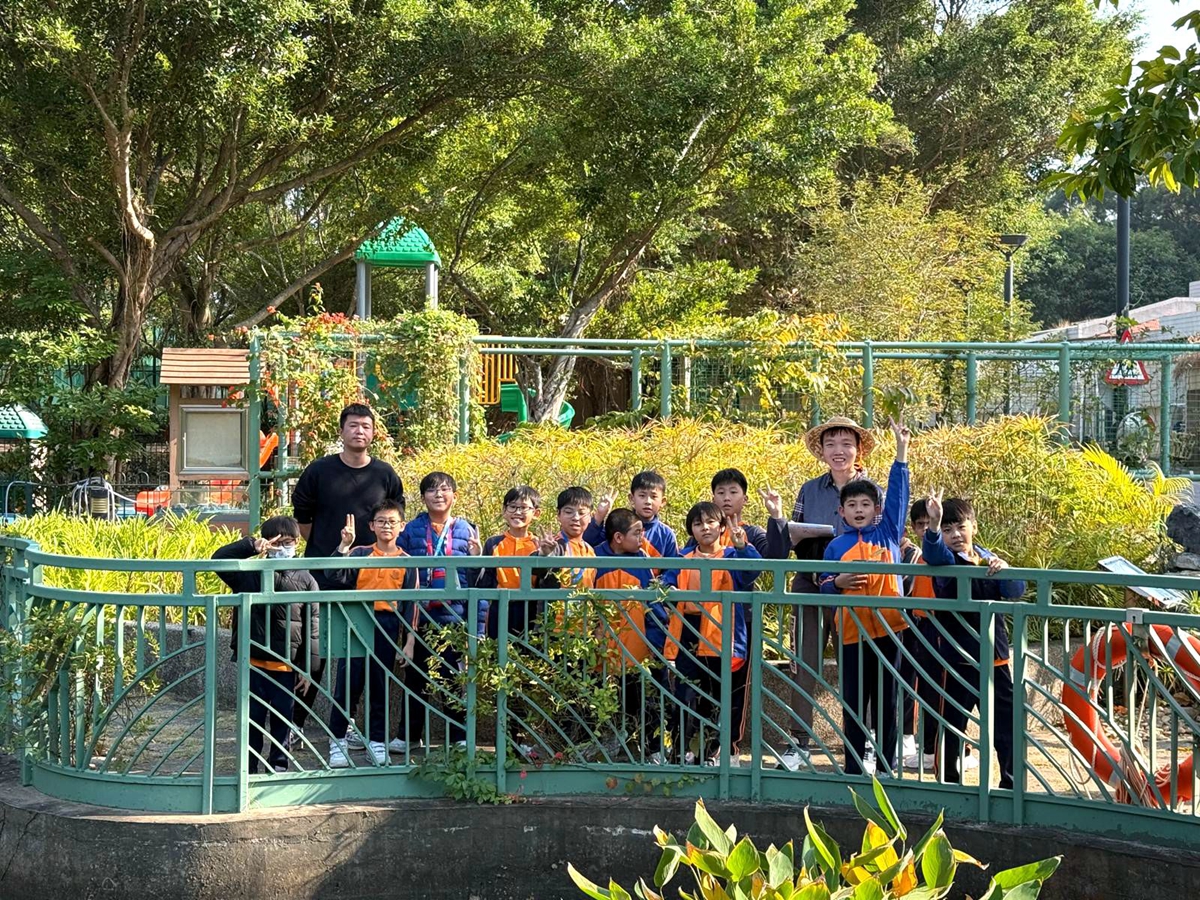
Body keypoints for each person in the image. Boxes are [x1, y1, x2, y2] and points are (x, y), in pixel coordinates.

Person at [291, 403, 405, 733]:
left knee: (359, 657)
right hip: (322, 576)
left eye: (366, 426)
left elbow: (394, 518)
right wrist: (331, 551)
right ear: (342, 431)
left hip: (369, 581)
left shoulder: (385, 474)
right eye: (353, 425)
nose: (359, 431)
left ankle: (347, 726)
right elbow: (303, 520)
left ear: (374, 433)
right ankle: (294, 725)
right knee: (314, 653)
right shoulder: (319, 470)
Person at [769, 415, 875, 770]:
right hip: (810, 583)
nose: (838, 451)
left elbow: (881, 538)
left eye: (846, 444)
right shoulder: (809, 489)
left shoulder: (871, 490)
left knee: (857, 667)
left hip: (855, 587)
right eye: (830, 444)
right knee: (805, 663)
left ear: (858, 450)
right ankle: (798, 742)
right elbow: (792, 537)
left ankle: (863, 743)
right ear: (821, 451)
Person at [819, 417, 911, 777]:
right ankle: (854, 767)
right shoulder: (835, 546)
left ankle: (887, 766)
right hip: (851, 632)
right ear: (841, 512)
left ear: (876, 509)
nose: (859, 510)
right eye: (852, 505)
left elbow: (899, 494)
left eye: (866, 504)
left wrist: (901, 452)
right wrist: (838, 582)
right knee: (854, 701)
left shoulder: (887, 534)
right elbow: (824, 586)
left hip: (890, 628)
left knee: (888, 700)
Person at [922, 492, 1024, 789]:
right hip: (957, 658)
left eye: (960, 527)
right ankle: (949, 785)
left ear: (974, 527)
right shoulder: (945, 559)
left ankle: (1010, 785)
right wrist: (933, 525)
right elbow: (932, 552)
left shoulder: (987, 557)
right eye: (947, 529)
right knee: (952, 724)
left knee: (1006, 723)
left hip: (995, 656)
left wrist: (1004, 568)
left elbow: (1015, 590)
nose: (955, 535)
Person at [212, 516, 318, 774]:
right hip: (253, 662)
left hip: (286, 666)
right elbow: (218, 560)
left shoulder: (306, 579)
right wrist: (251, 546)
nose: (282, 548)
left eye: (288, 542)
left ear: (297, 543)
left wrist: (308, 669)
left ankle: (278, 767)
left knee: (283, 720)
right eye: (276, 542)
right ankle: (248, 769)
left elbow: (312, 627)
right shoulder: (249, 574)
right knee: (252, 720)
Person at [661, 502, 762, 765]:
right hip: (689, 631)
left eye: (710, 522)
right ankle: (680, 751)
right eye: (698, 524)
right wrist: (667, 589)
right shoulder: (683, 558)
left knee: (719, 694)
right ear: (691, 530)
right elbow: (665, 583)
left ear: (721, 526)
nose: (705, 528)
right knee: (686, 692)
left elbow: (752, 571)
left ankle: (712, 752)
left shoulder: (731, 556)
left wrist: (743, 546)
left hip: (721, 632)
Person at [324, 499, 418, 768]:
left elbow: (412, 604)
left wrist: (409, 641)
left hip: (388, 624)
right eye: (381, 521)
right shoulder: (360, 553)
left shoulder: (408, 561)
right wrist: (344, 545)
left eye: (392, 521)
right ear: (372, 526)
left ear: (402, 526)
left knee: (380, 685)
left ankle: (377, 741)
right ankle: (337, 740)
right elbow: (334, 575)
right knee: (347, 683)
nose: (386, 526)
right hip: (357, 619)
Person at [397, 471, 483, 749]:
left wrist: (477, 558)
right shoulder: (411, 530)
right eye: (432, 490)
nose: (438, 494)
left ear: (454, 496)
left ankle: (458, 736)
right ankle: (409, 736)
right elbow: (400, 571)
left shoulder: (467, 530)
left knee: (453, 678)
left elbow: (478, 583)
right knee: (415, 677)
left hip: (455, 618)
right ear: (423, 497)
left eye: (444, 489)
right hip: (419, 617)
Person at [592, 508, 669, 761]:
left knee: (644, 700)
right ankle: (608, 743)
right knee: (604, 699)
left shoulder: (642, 560)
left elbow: (653, 605)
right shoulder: (594, 558)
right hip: (603, 649)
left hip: (637, 647)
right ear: (618, 537)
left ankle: (652, 747)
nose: (641, 538)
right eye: (636, 533)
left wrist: (656, 641)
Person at [899, 499, 941, 771]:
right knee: (919, 686)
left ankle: (938, 750)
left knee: (937, 691)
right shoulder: (915, 554)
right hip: (917, 624)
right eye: (921, 524)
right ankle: (925, 747)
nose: (926, 529)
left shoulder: (941, 552)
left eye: (930, 523)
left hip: (941, 627)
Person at [480, 486, 542, 639]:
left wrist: (545, 554)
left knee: (528, 649)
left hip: (530, 607)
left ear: (536, 513)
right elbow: (485, 581)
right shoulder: (493, 543)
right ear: (504, 511)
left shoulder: (539, 544)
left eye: (524, 508)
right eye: (512, 507)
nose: (517, 512)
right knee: (498, 648)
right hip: (500, 605)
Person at [585, 471, 679, 561]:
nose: (648, 501)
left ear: (662, 502)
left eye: (654, 497)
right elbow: (587, 542)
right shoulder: (619, 525)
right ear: (632, 498)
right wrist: (599, 515)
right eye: (642, 495)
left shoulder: (666, 535)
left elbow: (672, 568)